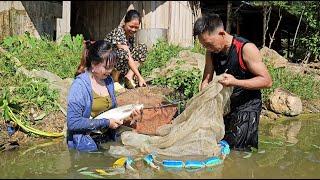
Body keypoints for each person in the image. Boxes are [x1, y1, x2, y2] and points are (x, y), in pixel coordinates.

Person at [193, 13, 272, 151]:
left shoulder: (246, 49)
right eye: (204, 45)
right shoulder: (211, 52)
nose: (207, 48)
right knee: (222, 143)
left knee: (239, 150)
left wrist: (235, 82)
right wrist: (204, 94)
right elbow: (206, 79)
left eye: (209, 44)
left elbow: (266, 81)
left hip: (248, 104)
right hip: (227, 104)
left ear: (222, 33)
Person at [66, 40, 138, 152]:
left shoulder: (108, 81)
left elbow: (112, 112)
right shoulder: (79, 86)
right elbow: (73, 123)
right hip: (86, 141)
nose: (110, 71)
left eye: (112, 67)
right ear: (94, 64)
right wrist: (106, 122)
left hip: (106, 136)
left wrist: (128, 115)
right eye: (106, 67)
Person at [104, 9, 148, 89]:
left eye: (136, 27)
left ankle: (128, 77)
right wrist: (139, 76)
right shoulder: (118, 32)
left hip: (120, 64)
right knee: (123, 53)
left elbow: (132, 54)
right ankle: (114, 81)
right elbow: (127, 55)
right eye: (131, 26)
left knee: (142, 48)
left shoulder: (130, 36)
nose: (133, 30)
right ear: (125, 23)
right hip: (106, 64)